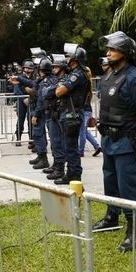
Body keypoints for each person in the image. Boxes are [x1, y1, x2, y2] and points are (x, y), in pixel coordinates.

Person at [91, 32, 136, 252]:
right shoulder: (109, 76)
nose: (108, 53)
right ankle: (112, 216)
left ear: (125, 53)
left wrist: (134, 133)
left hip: (125, 142)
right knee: (110, 181)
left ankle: (133, 228)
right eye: (108, 49)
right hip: (108, 139)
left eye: (113, 50)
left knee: (128, 185)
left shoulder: (135, 78)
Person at [49, 43, 90, 185]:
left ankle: (75, 177)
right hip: (68, 113)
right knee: (68, 147)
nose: (66, 58)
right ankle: (70, 174)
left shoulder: (77, 74)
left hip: (72, 114)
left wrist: (60, 88)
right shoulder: (74, 73)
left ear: (74, 58)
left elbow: (59, 92)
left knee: (71, 148)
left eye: (67, 56)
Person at [42, 55, 67, 179]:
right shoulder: (56, 79)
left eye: (56, 67)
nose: (54, 69)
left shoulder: (64, 79)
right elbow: (44, 92)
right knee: (54, 141)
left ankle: (60, 168)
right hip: (53, 112)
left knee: (58, 142)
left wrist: (48, 90)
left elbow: (48, 92)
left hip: (59, 113)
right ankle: (57, 164)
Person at [28, 58, 53, 170]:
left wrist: (36, 115)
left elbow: (40, 100)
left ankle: (43, 159)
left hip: (40, 111)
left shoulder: (44, 82)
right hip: (42, 110)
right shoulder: (47, 80)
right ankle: (40, 156)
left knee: (38, 134)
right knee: (38, 134)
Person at [78, 65, 102, 157]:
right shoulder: (89, 84)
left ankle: (80, 151)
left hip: (84, 110)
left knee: (82, 131)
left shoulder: (85, 84)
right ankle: (96, 146)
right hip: (87, 110)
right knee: (84, 131)